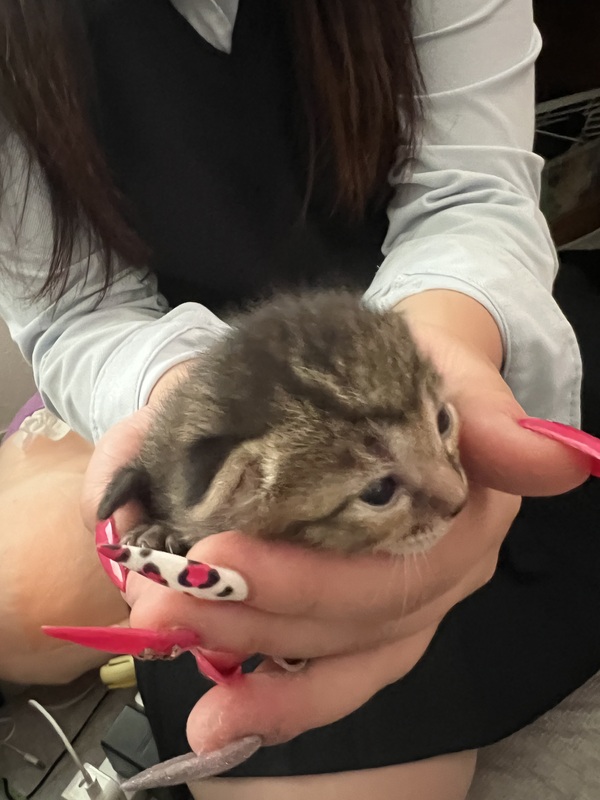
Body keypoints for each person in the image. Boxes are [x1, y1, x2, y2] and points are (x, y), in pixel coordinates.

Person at [0, 1, 597, 799]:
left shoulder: (435, 450)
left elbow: (469, 191)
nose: (452, 496)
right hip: (229, 417)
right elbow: (80, 309)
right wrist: (189, 416)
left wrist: (445, 358)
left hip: (454, 336)